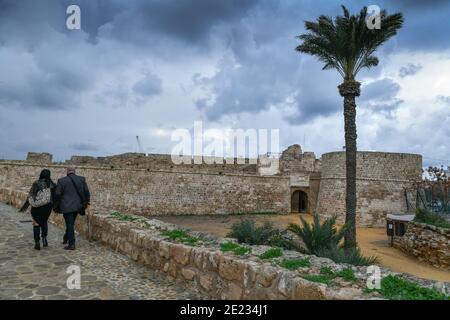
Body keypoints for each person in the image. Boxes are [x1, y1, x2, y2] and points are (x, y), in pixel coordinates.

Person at [19, 169, 56, 250]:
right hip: (47, 208)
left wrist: (25, 206)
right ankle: (44, 239)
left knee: (36, 223)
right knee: (44, 221)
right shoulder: (52, 184)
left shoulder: (36, 183)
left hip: (36, 208)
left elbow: (31, 195)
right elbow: (54, 197)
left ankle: (37, 242)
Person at [55, 166, 90, 250]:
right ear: (74, 171)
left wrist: (57, 206)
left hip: (66, 206)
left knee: (70, 224)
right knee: (70, 223)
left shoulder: (61, 181)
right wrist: (87, 202)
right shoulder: (81, 179)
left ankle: (72, 244)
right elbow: (86, 192)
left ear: (67, 171)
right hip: (78, 206)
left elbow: (57, 194)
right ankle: (66, 238)